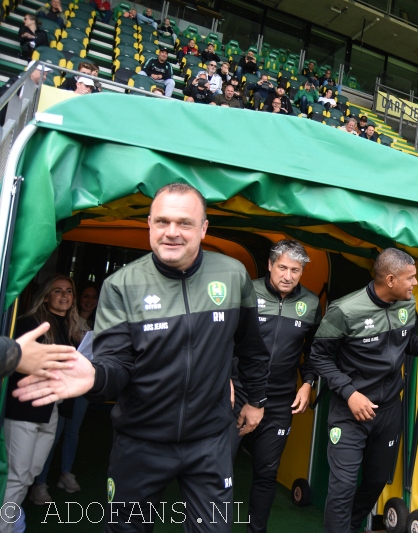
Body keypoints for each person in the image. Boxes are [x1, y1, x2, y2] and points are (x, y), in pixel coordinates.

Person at [13, 183, 271, 531]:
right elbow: (116, 366)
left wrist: (255, 399)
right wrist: (95, 377)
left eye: (184, 223)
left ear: (203, 229)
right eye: (162, 222)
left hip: (209, 440)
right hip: (140, 443)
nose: (172, 233)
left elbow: (251, 347)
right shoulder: (122, 284)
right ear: (149, 224)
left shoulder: (232, 273)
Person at [309, 248, 418, 533]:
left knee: (375, 481)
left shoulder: (406, 305)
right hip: (350, 411)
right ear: (391, 280)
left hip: (389, 411)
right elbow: (319, 356)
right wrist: (350, 393)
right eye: (411, 278)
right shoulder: (345, 310)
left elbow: (405, 343)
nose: (416, 284)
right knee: (343, 486)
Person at [229, 240, 321, 533]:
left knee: (266, 474)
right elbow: (222, 341)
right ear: (270, 265)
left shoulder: (311, 303)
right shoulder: (247, 293)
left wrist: (307, 383)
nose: (288, 275)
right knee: (217, 472)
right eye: (282, 267)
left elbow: (315, 351)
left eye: (295, 270)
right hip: (237, 394)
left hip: (280, 400)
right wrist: (224, 382)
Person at [3, 274, 83, 528]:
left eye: (68, 291)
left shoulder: (70, 326)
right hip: (24, 408)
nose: (64, 295)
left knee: (30, 474)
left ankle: (11, 519)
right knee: (17, 475)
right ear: (46, 295)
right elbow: (15, 363)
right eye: (57, 290)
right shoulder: (30, 323)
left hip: (51, 410)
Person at [31, 283, 98, 500]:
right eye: (85, 296)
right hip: (58, 383)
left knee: (72, 430)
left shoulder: (98, 322)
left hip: (82, 382)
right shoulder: (62, 320)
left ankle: (65, 474)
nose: (89, 300)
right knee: (54, 433)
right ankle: (40, 483)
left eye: (93, 297)